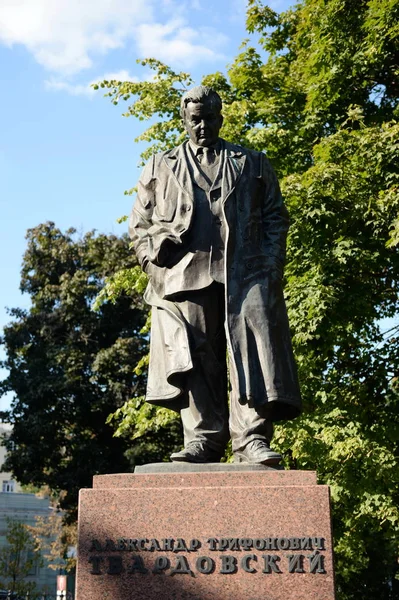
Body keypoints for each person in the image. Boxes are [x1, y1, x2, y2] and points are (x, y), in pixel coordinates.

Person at [129, 85, 301, 465]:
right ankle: (204, 438)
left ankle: (251, 439)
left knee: (252, 354)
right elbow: (138, 226)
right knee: (196, 358)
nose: (203, 126)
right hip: (183, 275)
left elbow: (276, 217)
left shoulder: (253, 163)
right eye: (195, 120)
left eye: (209, 118)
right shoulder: (160, 166)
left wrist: (271, 266)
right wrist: (151, 262)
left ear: (220, 118)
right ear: (184, 121)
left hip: (245, 272)